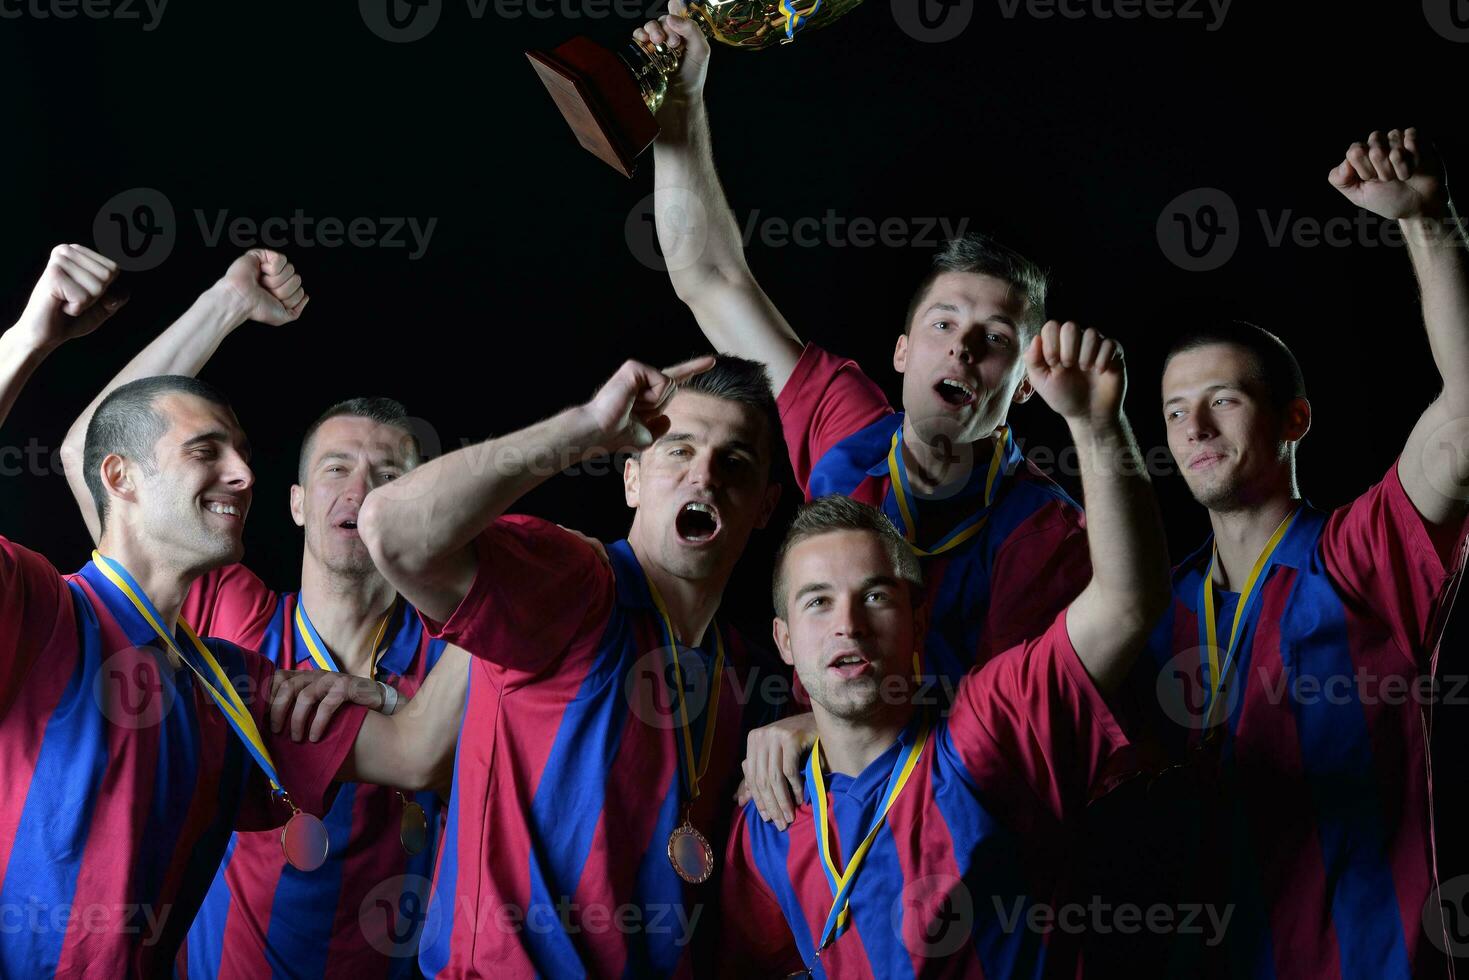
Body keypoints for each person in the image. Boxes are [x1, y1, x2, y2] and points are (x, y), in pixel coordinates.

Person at [636, 0, 1092, 829]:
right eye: (943, 326)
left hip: (945, 831)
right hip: (801, 797)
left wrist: (821, 721)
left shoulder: (1047, 534)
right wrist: (682, 105)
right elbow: (706, 274)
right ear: (902, 351)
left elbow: (999, 733)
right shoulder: (850, 425)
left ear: (1022, 385)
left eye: (994, 341)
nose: (961, 351)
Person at [54, 253, 470, 978]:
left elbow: (491, 780)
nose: (361, 491)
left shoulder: (460, 643)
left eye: (390, 476)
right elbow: (93, 448)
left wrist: (399, 700)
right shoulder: (223, 611)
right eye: (336, 468)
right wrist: (226, 303)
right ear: (297, 503)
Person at [720, 321, 1169, 976]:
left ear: (915, 619)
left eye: (874, 596)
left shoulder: (989, 732)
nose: (847, 622)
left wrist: (1096, 423)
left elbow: (1129, 603)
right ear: (783, 641)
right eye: (817, 601)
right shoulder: (770, 810)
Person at [323, 352, 791, 977]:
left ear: (763, 506)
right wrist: (589, 428)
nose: (704, 476)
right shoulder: (576, 585)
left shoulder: (747, 670)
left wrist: (808, 727)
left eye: (734, 462)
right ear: (631, 480)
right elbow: (394, 527)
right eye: (679, 450)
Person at [0, 244, 379, 977]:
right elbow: (98, 443)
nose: (244, 474)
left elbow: (424, 749)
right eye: (208, 451)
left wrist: (472, 567)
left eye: (392, 475)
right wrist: (29, 337)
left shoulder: (232, 681)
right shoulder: (44, 609)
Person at [1144, 127, 1469, 976]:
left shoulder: (1358, 557)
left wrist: (1425, 220)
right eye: (1176, 412)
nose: (1196, 430)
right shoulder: (1153, 609)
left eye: (1222, 400)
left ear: (1294, 420)